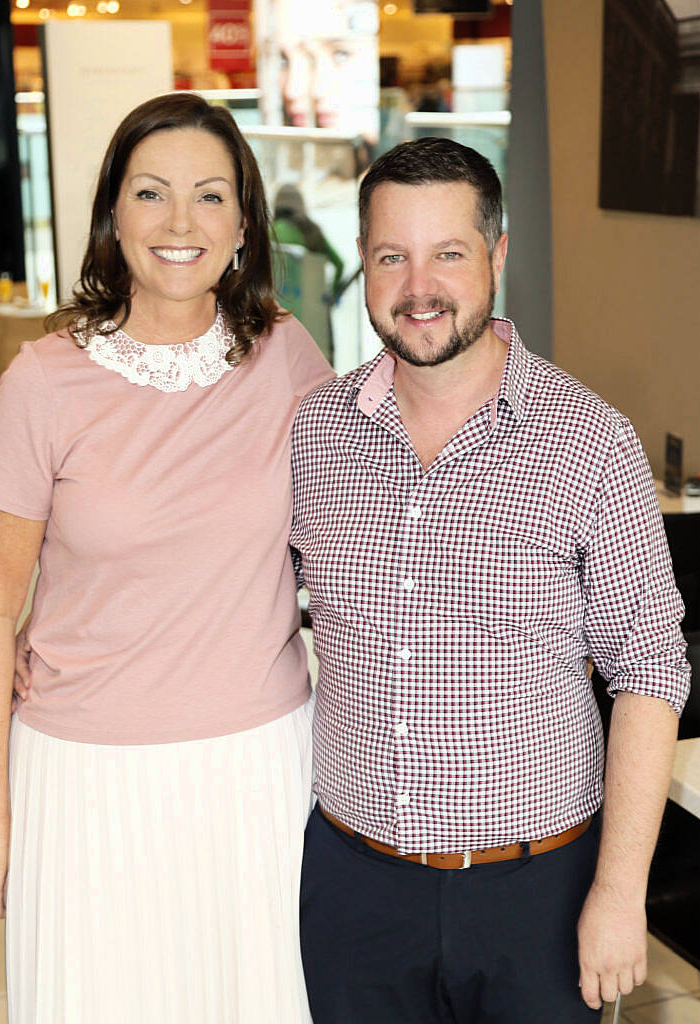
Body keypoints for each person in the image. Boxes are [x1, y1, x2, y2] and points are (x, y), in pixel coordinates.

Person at [290, 137, 690, 1022]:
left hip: (536, 895)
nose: (417, 286)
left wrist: (619, 894)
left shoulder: (589, 442)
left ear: (497, 256)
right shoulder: (315, 432)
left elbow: (650, 670)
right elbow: (243, 595)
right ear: (361, 259)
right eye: (392, 255)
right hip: (354, 891)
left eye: (448, 253)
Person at [0, 92, 332, 1023]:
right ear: (112, 215)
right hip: (86, 783)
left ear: (243, 221)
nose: (179, 222)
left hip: (256, 773)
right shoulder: (42, 383)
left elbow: (364, 519)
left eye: (209, 197)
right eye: (151, 193)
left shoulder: (288, 357)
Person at [273, 184, 345, 297]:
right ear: (300, 205)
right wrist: (333, 293)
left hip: (275, 303)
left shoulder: (267, 232)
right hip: (310, 304)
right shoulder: (312, 232)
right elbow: (340, 264)